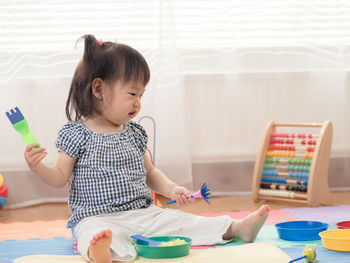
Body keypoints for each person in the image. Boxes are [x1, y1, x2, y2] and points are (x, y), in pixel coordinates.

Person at [24, 34, 269, 263]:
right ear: (98, 89)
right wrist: (37, 167)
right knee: (92, 232)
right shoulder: (76, 134)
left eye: (141, 94)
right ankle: (101, 249)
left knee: (184, 222)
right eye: (132, 93)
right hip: (96, 217)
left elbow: (150, 173)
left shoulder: (134, 132)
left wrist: (172, 189)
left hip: (144, 214)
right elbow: (58, 177)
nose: (138, 102)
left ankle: (236, 229)